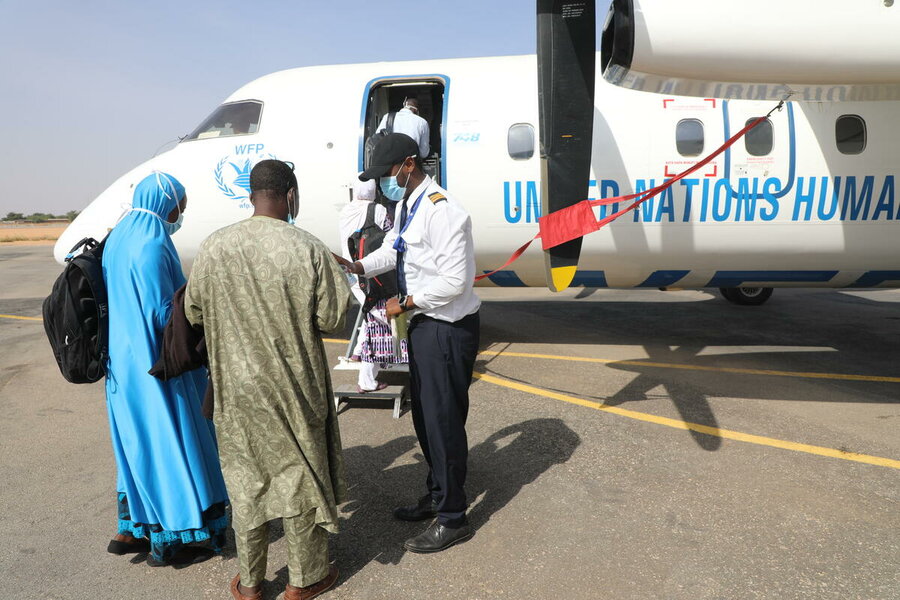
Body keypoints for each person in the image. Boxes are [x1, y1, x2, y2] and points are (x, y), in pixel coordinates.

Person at [184, 159, 350, 600]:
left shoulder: (215, 246)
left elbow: (193, 311)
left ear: (252, 195)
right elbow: (332, 317)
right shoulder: (307, 247)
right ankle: (303, 579)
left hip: (234, 389)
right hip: (294, 385)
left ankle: (252, 582)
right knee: (298, 475)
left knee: (245, 479)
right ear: (290, 195)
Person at [336, 133, 481, 553]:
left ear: (409, 164)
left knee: (443, 422)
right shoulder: (407, 205)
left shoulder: (444, 211)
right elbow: (394, 251)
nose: (385, 183)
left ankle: (454, 517)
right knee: (425, 419)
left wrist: (406, 302)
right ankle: (437, 493)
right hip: (422, 327)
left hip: (446, 327)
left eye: (388, 173)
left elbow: (456, 282)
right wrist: (359, 264)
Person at [102, 172, 229, 566]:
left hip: (121, 367)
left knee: (138, 446)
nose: (179, 216)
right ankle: (179, 531)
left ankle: (138, 524)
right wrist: (200, 297)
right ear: (164, 205)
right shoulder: (154, 243)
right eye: (179, 208)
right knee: (171, 442)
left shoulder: (118, 237)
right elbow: (163, 315)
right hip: (158, 365)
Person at [338, 176, 409, 392]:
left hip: (353, 273)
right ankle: (367, 379)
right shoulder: (377, 209)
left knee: (371, 320)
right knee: (378, 321)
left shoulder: (345, 211)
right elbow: (392, 239)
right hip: (373, 275)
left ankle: (362, 356)